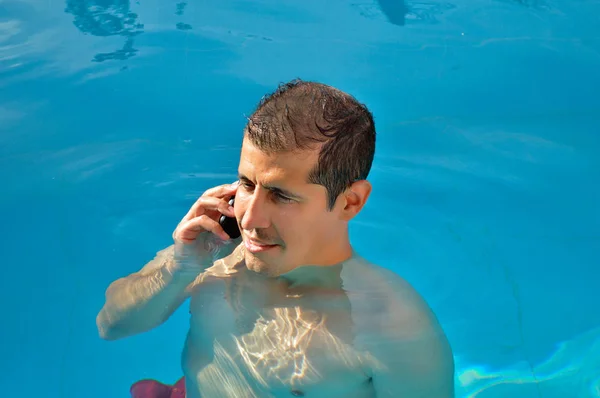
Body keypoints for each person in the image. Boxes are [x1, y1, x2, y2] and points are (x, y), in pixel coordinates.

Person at [96, 79, 455, 398]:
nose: (249, 218)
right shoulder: (219, 248)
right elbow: (111, 326)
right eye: (247, 185)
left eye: (281, 196)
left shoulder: (392, 326)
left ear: (350, 202)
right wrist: (181, 265)